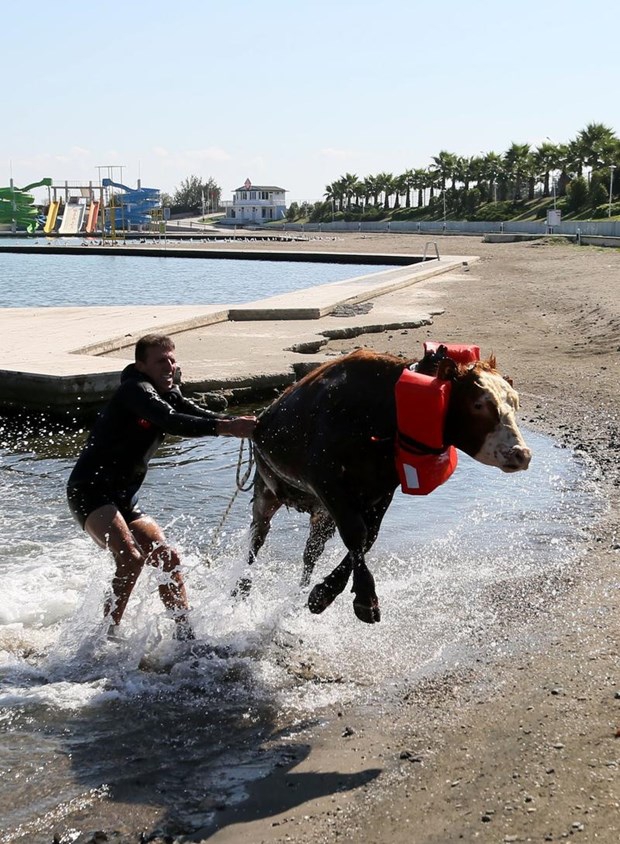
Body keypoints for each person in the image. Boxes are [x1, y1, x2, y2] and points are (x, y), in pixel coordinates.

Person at [67, 333, 256, 641]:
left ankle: (185, 637)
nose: (169, 366)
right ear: (141, 365)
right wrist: (227, 429)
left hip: (124, 498)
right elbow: (169, 420)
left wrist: (238, 422)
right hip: (89, 490)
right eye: (160, 361)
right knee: (130, 558)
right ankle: (104, 637)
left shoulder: (168, 391)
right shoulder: (135, 391)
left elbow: (197, 414)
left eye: (172, 359)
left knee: (168, 558)